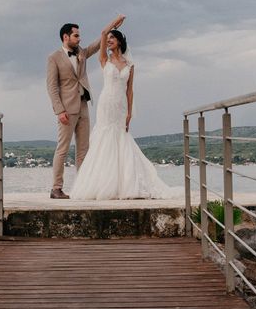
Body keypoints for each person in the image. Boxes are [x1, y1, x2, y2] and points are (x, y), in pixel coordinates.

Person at [69, 16, 172, 200]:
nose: (108, 41)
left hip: (121, 106)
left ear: (119, 42)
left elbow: (130, 91)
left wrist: (130, 113)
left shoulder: (130, 65)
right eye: (107, 40)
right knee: (104, 138)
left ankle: (125, 182)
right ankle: (103, 184)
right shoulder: (104, 60)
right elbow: (102, 33)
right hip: (106, 103)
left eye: (112, 39)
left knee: (121, 138)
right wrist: (115, 22)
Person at [46, 18, 121, 199]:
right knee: (62, 149)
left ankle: (82, 186)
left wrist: (113, 25)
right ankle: (56, 188)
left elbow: (97, 44)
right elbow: (52, 87)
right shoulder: (54, 58)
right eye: (76, 35)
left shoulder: (81, 52)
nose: (79, 39)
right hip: (66, 109)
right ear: (66, 37)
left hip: (83, 105)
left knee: (84, 149)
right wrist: (59, 110)